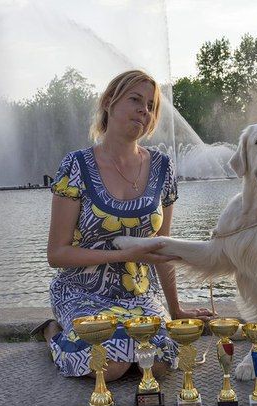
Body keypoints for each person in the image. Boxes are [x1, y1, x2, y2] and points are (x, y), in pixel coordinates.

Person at [36, 69, 213, 381]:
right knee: (112, 366)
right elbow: (57, 254)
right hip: (82, 291)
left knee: (158, 363)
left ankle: (127, 338)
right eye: (135, 100)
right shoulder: (75, 166)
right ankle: (53, 333)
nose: (144, 110)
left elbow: (163, 247)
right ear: (109, 102)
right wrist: (123, 255)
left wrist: (176, 309)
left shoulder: (163, 167)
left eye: (150, 105)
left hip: (139, 294)